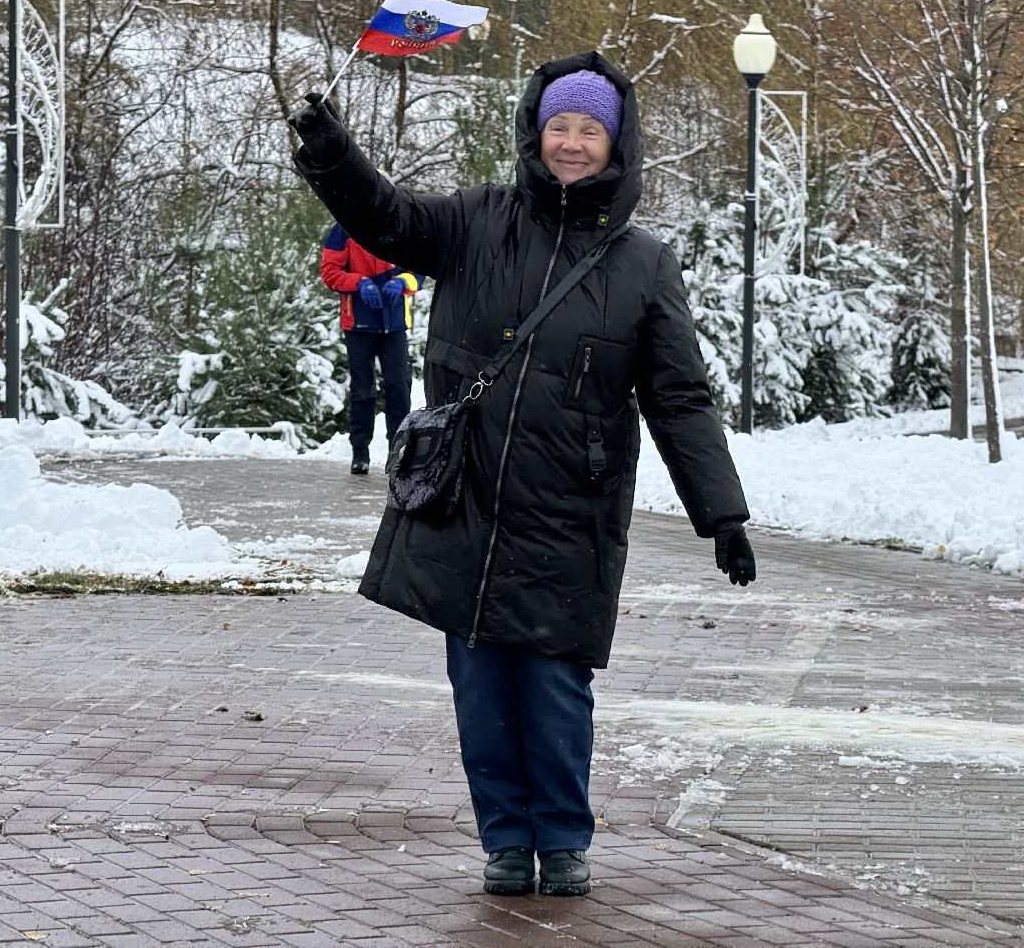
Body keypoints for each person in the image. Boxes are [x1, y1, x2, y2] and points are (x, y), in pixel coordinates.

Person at [289, 54, 755, 898]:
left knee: (552, 685)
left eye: (590, 129)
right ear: (536, 133)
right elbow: (385, 218)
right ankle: (506, 839)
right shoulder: (476, 220)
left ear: (617, 144)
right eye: (560, 126)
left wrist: (720, 513)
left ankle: (564, 839)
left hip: (570, 509)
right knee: (479, 685)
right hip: (465, 498)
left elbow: (679, 396)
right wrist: (330, 148)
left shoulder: (642, 264)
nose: (572, 143)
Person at [319, 222, 420, 474]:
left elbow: (419, 269)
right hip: (358, 324)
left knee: (398, 387)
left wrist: (403, 282)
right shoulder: (343, 229)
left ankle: (397, 451)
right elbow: (329, 272)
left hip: (395, 324)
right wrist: (359, 282)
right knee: (363, 391)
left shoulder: (399, 225)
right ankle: (360, 452)